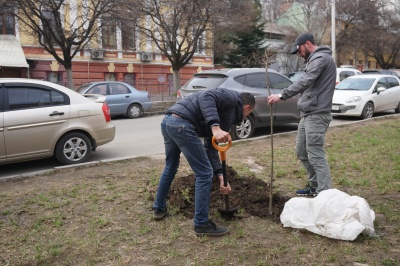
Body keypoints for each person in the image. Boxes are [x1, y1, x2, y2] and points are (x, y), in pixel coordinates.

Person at [153, 88, 255, 237]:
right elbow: (207, 95)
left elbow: (211, 148)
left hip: (169, 122)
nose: (247, 116)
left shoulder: (227, 117)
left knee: (171, 166)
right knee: (204, 173)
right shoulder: (232, 97)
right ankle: (201, 224)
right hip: (182, 124)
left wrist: (221, 176)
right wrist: (215, 127)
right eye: (249, 113)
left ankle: (159, 208)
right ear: (246, 108)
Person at [267, 33, 336, 197]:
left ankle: (325, 194)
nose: (298, 54)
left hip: (317, 114)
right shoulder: (316, 59)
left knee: (315, 153)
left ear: (307, 44)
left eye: (298, 50)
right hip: (308, 113)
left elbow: (306, 80)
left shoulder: (320, 59)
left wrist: (282, 95)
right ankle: (314, 185)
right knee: (302, 152)